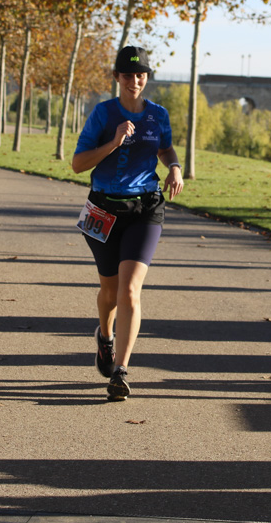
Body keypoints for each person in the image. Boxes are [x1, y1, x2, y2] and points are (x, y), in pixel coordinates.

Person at [71, 46, 184, 402]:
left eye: (141, 75)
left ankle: (120, 370)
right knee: (109, 292)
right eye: (127, 75)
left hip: (145, 208)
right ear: (117, 77)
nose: (134, 81)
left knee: (130, 289)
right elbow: (78, 164)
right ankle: (104, 336)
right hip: (104, 211)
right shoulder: (103, 114)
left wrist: (174, 167)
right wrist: (114, 141)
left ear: (146, 77)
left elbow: (164, 148)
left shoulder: (158, 115)